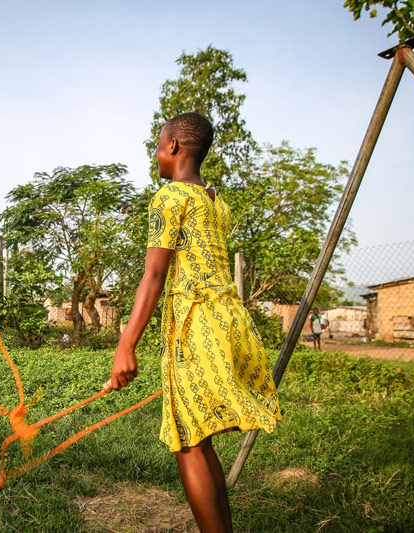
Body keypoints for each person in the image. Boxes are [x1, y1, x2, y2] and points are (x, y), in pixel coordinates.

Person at [110, 113, 280, 532]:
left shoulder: (169, 197)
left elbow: (154, 275)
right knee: (198, 439)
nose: (155, 152)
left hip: (196, 325)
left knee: (187, 440)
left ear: (172, 147)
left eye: (157, 143)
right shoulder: (214, 199)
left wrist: (126, 343)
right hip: (230, 319)